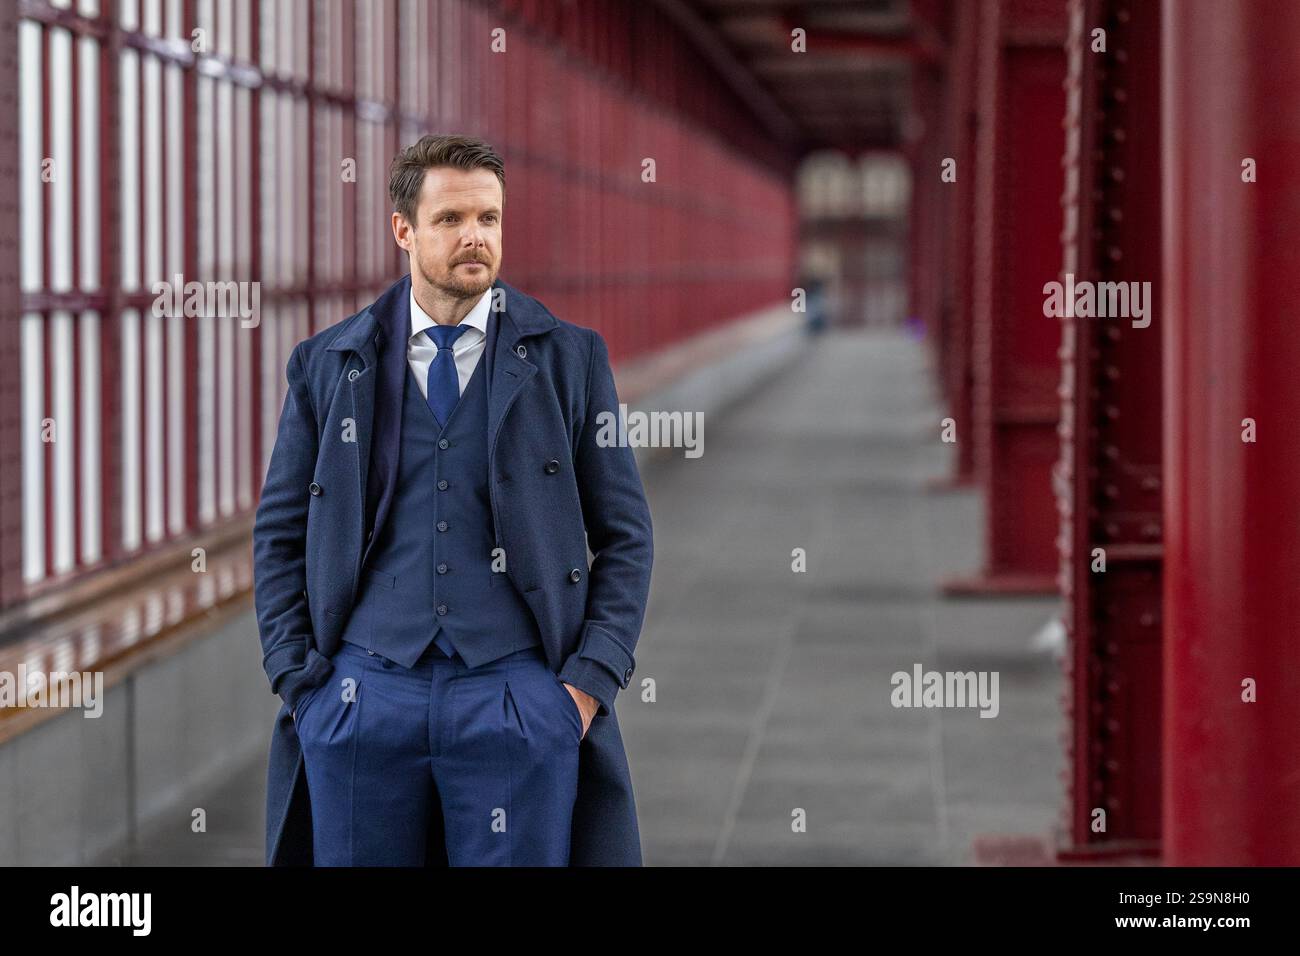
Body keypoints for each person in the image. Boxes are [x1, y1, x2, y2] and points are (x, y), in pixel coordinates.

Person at [252, 133, 654, 866]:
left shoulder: (569, 358)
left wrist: (583, 689)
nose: (475, 236)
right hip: (360, 697)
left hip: (515, 699)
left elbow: (626, 535)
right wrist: (300, 683)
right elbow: (278, 533)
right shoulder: (328, 364)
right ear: (403, 229)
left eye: (489, 219)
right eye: (451, 220)